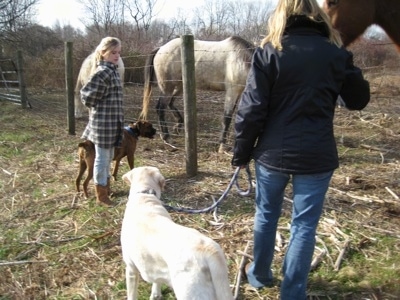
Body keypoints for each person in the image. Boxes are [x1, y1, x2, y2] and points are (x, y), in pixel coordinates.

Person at [231, 0, 370, 299]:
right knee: (304, 226)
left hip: (272, 155)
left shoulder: (270, 51)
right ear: (319, 16)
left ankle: (259, 275)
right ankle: (293, 293)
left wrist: (241, 152)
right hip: (317, 155)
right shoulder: (335, 53)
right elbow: (358, 99)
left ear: (282, 14)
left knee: (266, 215)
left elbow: (252, 109)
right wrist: (345, 61)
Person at [80, 37, 124, 207]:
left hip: (112, 124)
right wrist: (97, 103)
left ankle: (106, 188)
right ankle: (101, 195)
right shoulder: (103, 72)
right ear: (102, 53)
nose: (117, 56)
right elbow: (86, 96)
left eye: (119, 52)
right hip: (103, 125)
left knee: (108, 157)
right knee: (102, 158)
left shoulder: (112, 71)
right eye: (113, 52)